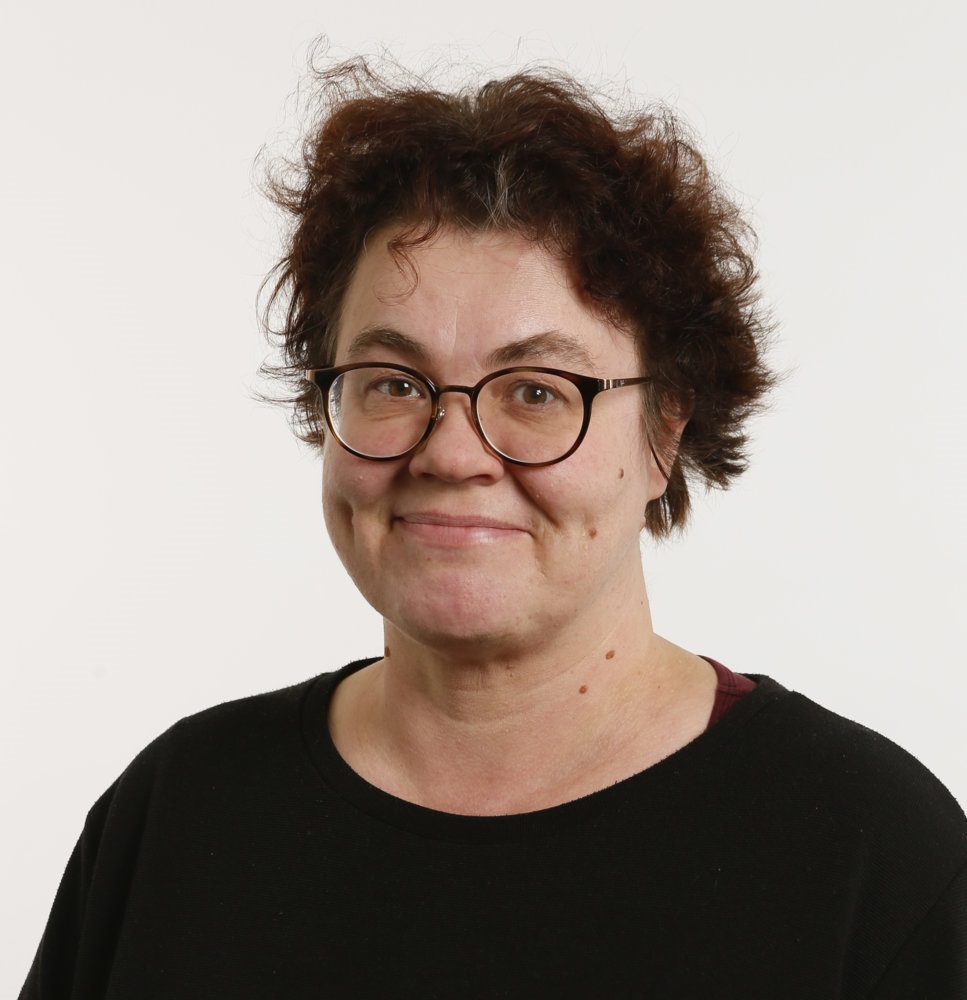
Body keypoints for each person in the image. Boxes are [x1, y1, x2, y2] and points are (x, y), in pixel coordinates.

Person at [21, 58, 967, 998]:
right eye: (394, 383)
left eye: (536, 391)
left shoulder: (875, 857)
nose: (451, 453)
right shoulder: (178, 814)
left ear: (665, 431)